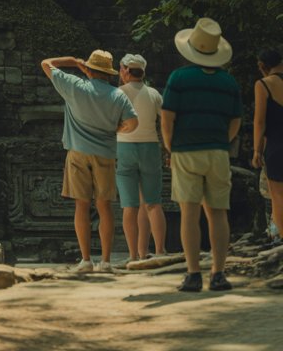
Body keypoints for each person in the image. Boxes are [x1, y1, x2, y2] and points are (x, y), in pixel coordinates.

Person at [161, 17, 242, 293]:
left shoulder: (179, 78)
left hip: (186, 151)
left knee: (189, 213)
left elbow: (167, 118)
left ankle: (193, 274)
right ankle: (218, 274)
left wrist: (171, 147)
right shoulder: (228, 82)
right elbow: (236, 121)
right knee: (218, 213)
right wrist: (222, 141)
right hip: (218, 152)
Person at [41, 49, 138, 273]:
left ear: (90, 69)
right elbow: (133, 123)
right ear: (109, 73)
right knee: (104, 206)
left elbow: (46, 63)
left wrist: (74, 62)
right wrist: (117, 129)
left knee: (81, 205)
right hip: (105, 153)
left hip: (77, 152)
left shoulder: (74, 85)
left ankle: (86, 260)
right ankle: (105, 261)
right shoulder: (118, 95)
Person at [116, 53, 167, 261]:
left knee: (130, 206)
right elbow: (166, 120)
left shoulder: (118, 93)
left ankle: (133, 256)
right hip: (150, 147)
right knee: (152, 202)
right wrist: (168, 147)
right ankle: (159, 251)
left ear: (126, 71)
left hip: (123, 147)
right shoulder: (153, 94)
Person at [252, 46, 283, 240]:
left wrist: (257, 150)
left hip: (276, 146)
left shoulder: (263, 84)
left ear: (262, 66)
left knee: (278, 196)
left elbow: (260, 121)